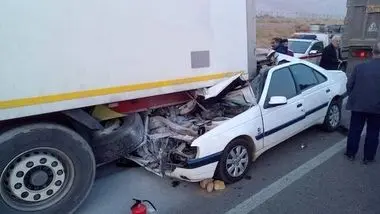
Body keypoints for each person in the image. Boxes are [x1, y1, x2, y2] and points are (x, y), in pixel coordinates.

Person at [345, 42, 380, 164]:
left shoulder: (360, 67)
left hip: (358, 105)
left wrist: (353, 96)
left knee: (354, 130)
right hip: (377, 107)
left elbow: (349, 85)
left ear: (372, 52)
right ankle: (368, 157)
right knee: (373, 132)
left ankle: (350, 153)